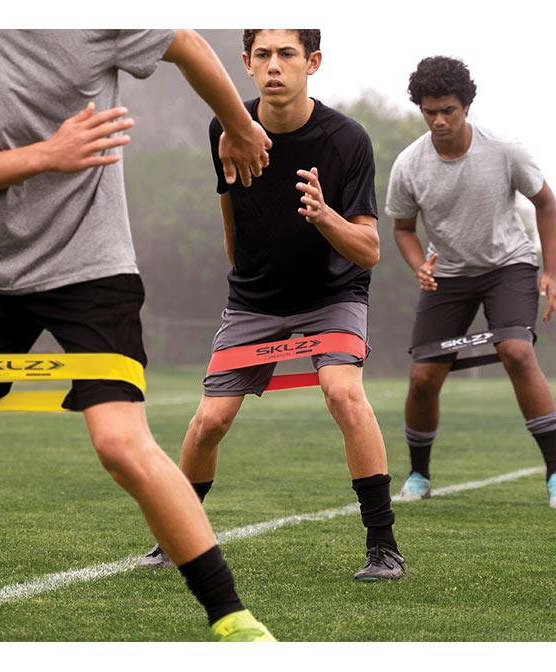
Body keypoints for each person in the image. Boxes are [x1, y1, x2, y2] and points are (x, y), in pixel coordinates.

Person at [0, 29, 276, 642]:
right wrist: (49, 153)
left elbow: (184, 42)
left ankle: (233, 621)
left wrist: (240, 125)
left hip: (92, 270)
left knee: (121, 444)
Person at [140, 29, 406, 581]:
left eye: (287, 54)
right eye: (262, 55)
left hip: (333, 297)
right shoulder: (226, 126)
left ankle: (383, 548)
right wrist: (244, 280)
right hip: (254, 301)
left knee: (343, 392)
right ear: (246, 62)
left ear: (313, 62)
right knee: (209, 421)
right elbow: (229, 214)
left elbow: (370, 251)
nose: (274, 66)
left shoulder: (347, 140)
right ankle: (174, 539)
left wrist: (324, 216)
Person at [386, 56, 556, 506]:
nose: (439, 121)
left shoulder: (504, 150)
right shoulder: (408, 165)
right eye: (430, 112)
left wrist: (551, 271)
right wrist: (419, 265)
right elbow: (403, 229)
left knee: (516, 351)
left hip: (509, 266)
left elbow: (546, 203)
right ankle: (419, 476)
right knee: (423, 377)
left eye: (448, 110)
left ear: (465, 106)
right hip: (449, 275)